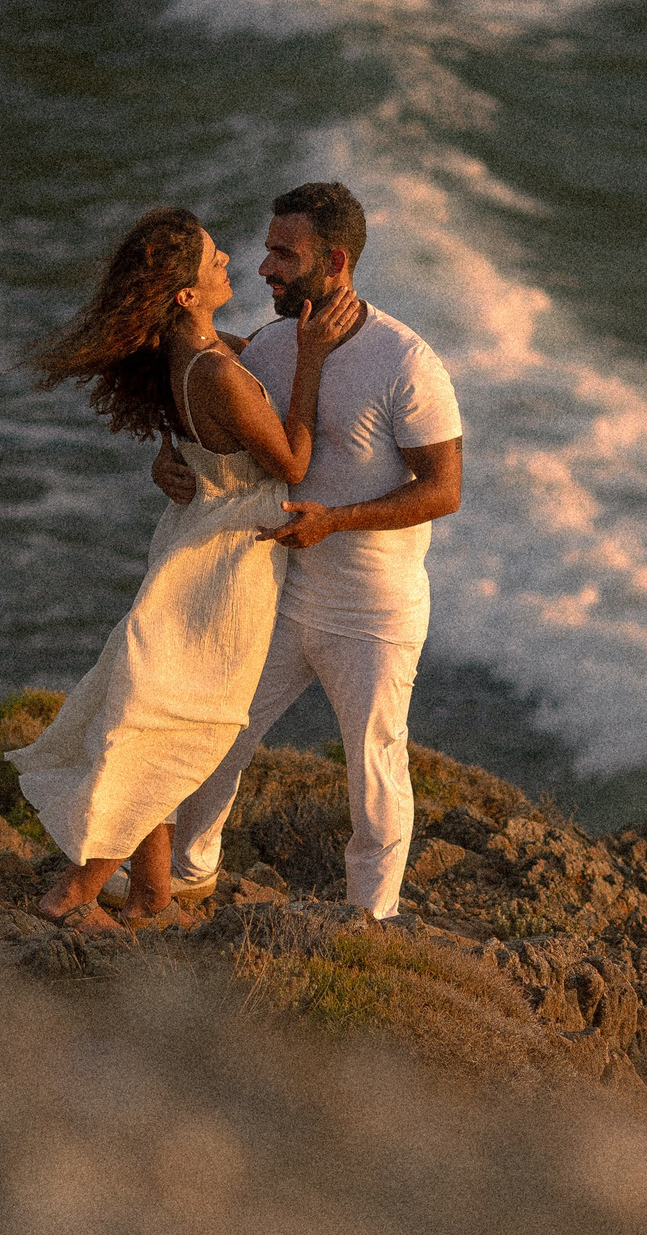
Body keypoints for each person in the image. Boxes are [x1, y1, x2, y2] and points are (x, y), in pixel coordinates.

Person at [8, 205, 360, 934]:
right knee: (178, 724)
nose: (229, 259)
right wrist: (316, 358)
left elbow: (214, 411)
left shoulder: (188, 352)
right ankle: (85, 882)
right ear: (185, 297)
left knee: (152, 711)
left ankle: (150, 895)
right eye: (212, 260)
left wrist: (172, 455)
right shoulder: (219, 373)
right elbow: (291, 460)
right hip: (224, 568)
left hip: (192, 541)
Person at [149, 182, 463, 921]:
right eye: (266, 250)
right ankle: (192, 875)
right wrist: (169, 464)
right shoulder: (270, 345)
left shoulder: (406, 360)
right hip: (282, 589)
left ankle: (370, 919)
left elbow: (444, 489)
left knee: (374, 768)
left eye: (284, 254)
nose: (265, 268)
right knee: (220, 729)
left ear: (337, 260)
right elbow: (221, 425)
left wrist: (339, 519)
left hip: (373, 610)